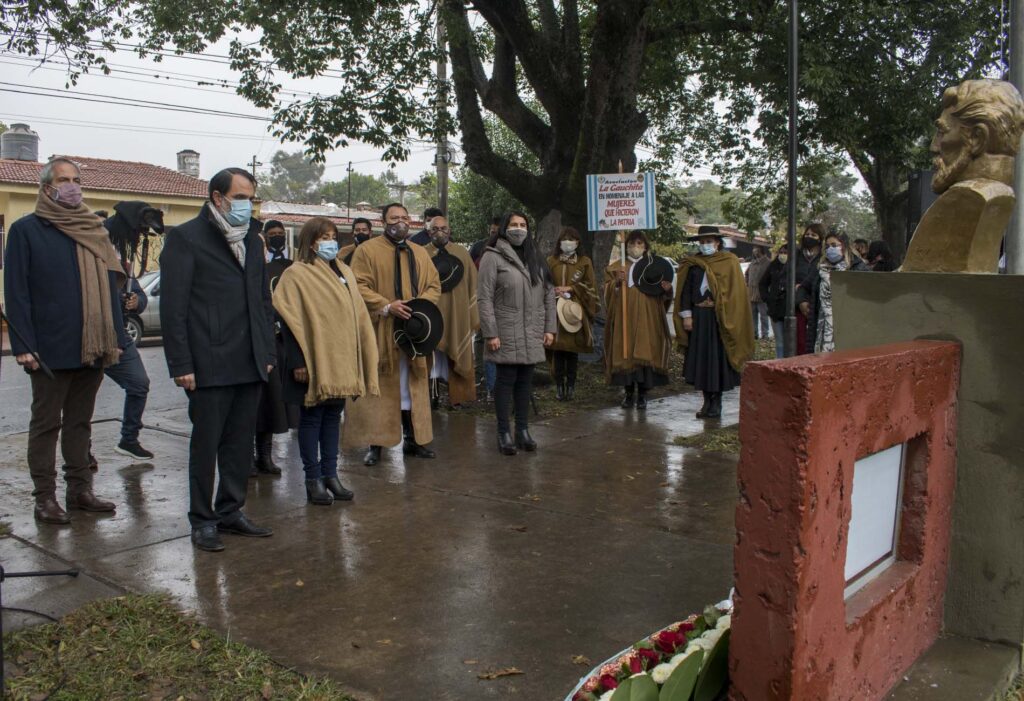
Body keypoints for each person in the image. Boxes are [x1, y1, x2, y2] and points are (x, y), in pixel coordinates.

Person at [4, 157, 128, 524]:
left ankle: (80, 491)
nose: (72, 185)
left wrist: (117, 338)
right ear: (47, 188)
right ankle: (44, 498)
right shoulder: (28, 230)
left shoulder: (95, 228)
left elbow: (108, 288)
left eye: (76, 179)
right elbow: (17, 291)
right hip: (48, 348)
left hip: (94, 344)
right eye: (63, 180)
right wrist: (23, 344)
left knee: (81, 422)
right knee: (46, 424)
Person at [160, 167, 276, 552]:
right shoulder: (186, 238)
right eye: (240, 197)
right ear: (217, 197)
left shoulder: (253, 240)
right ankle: (202, 519)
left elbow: (262, 301)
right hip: (208, 361)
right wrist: (181, 364)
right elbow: (174, 308)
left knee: (239, 443)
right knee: (206, 444)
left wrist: (268, 353)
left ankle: (231, 510)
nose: (246, 204)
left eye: (250, 198)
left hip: (249, 360)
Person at [273, 217, 379, 505]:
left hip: (341, 360)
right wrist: (299, 362)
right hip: (311, 362)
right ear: (310, 241)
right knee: (311, 419)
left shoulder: (344, 270)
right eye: (323, 237)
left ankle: (331, 475)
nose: (330, 241)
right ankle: (313, 479)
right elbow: (288, 321)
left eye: (333, 235)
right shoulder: (297, 273)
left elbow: (356, 316)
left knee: (333, 418)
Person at [343, 202, 442, 466]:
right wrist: (386, 305)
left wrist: (419, 307)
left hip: (414, 332)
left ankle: (414, 439)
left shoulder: (419, 253)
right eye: (395, 217)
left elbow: (434, 285)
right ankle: (376, 444)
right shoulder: (367, 251)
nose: (401, 222)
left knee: (413, 387)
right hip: (382, 330)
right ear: (383, 221)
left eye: (405, 217)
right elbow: (357, 284)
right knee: (381, 389)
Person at [478, 212, 555, 455]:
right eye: (513, 225)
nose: (519, 229)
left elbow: (549, 295)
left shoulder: (536, 257)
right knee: (505, 383)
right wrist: (491, 332)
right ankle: (504, 433)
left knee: (525, 383)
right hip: (505, 331)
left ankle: (522, 430)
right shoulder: (492, 257)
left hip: (532, 330)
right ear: (503, 229)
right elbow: (484, 298)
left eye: (523, 225)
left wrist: (549, 328)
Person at [98, 200, 161, 462]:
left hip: (120, 333)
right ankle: (80, 451)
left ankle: (129, 439)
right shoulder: (97, 245)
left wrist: (137, 301)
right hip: (94, 332)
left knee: (139, 384)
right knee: (82, 395)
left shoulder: (122, 255)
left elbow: (136, 292)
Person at [674, 226, 754, 419]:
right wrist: (687, 316)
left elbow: (736, 293)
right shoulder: (692, 264)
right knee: (701, 359)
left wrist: (725, 309)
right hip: (699, 317)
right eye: (702, 242)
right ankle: (706, 401)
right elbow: (685, 292)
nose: (705, 245)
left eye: (709, 241)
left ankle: (716, 402)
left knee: (716, 360)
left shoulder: (729, 262)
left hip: (720, 319)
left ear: (717, 242)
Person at [604, 230, 673, 410]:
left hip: (648, 317)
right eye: (632, 243)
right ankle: (628, 394)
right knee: (626, 353)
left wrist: (667, 290)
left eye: (640, 244)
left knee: (645, 350)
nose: (636, 247)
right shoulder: (617, 267)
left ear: (646, 247)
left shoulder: (652, 266)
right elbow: (607, 292)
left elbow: (663, 294)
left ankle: (642, 395)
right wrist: (616, 283)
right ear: (626, 246)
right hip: (624, 318)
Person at [252, 219, 299, 476]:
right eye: (273, 235)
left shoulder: (291, 266)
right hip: (249, 344)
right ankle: (246, 457)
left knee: (270, 402)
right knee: (250, 405)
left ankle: (264, 456)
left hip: (276, 342)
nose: (277, 238)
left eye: (281, 234)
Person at [425, 215, 479, 408]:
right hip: (430, 313)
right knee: (428, 355)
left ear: (450, 230)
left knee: (458, 345)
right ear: (429, 231)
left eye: (444, 228)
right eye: (435, 228)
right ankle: (431, 395)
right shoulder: (421, 254)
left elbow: (473, 283)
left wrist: (472, 312)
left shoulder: (461, 253)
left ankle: (459, 397)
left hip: (457, 313)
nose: (440, 232)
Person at [547, 226, 598, 401]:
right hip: (555, 312)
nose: (568, 242)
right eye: (565, 238)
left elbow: (591, 287)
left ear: (577, 242)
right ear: (559, 242)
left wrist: (572, 288)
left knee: (572, 352)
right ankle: (559, 386)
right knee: (558, 350)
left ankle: (571, 386)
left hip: (574, 312)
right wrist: (553, 291)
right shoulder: (551, 261)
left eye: (572, 238)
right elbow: (543, 284)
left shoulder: (584, 262)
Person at [797, 232, 869, 354]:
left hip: (847, 327)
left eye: (834, 245)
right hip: (821, 327)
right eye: (827, 246)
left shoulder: (858, 268)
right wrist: (802, 301)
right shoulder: (821, 267)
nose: (830, 249)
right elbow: (803, 287)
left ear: (844, 246)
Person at [794, 223, 824, 354]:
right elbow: (784, 276)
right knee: (800, 342)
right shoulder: (797, 255)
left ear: (820, 238)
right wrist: (800, 300)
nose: (809, 237)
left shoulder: (823, 258)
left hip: (818, 306)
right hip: (798, 305)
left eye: (813, 235)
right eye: (807, 234)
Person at [759, 245, 789, 358]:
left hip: (791, 309)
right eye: (781, 252)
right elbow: (762, 283)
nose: (783, 255)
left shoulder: (795, 267)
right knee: (780, 340)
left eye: (786, 252)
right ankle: (780, 362)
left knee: (791, 340)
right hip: (775, 309)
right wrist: (767, 298)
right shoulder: (773, 266)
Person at [745, 245, 772, 341]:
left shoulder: (768, 263)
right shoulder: (752, 263)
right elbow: (747, 274)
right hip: (751, 294)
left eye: (755, 249)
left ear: (760, 250)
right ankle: (754, 334)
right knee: (753, 316)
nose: (754, 251)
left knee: (764, 316)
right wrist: (747, 284)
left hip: (762, 295)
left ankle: (765, 335)